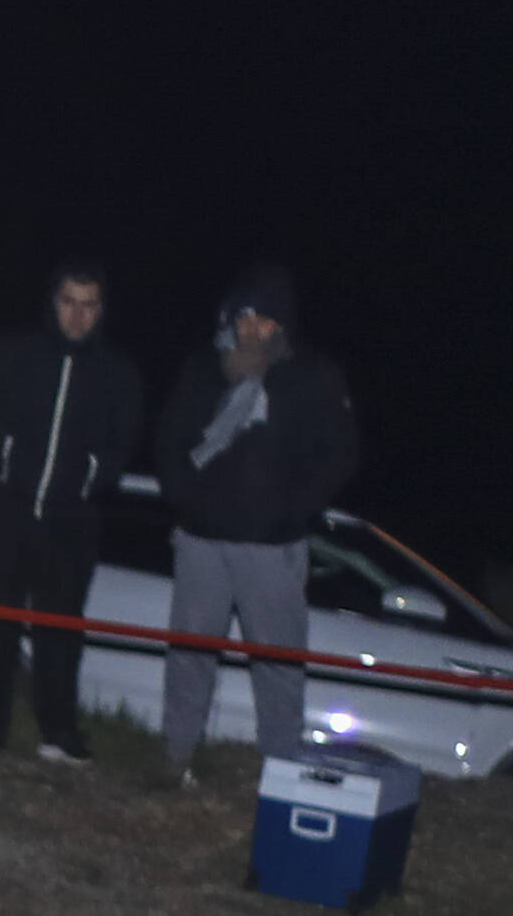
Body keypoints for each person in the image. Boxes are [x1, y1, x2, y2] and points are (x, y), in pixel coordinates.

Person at [154, 261, 359, 785]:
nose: (252, 329)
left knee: (279, 667)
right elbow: (170, 440)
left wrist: (293, 510)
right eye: (244, 317)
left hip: (271, 548)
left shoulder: (312, 377)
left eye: (264, 320)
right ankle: (177, 761)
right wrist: (185, 498)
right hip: (202, 542)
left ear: (282, 326)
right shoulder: (204, 369)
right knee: (189, 658)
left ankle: (282, 775)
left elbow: (338, 455)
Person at [0, 258, 145, 763]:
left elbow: (121, 445)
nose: (78, 316)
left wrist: (83, 480)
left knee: (60, 630)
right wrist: (3, 468)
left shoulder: (117, 372)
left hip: (72, 522)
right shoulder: (12, 354)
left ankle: (58, 733)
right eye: (69, 302)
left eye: (89, 305)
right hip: (5, 512)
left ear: (101, 310)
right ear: (52, 302)